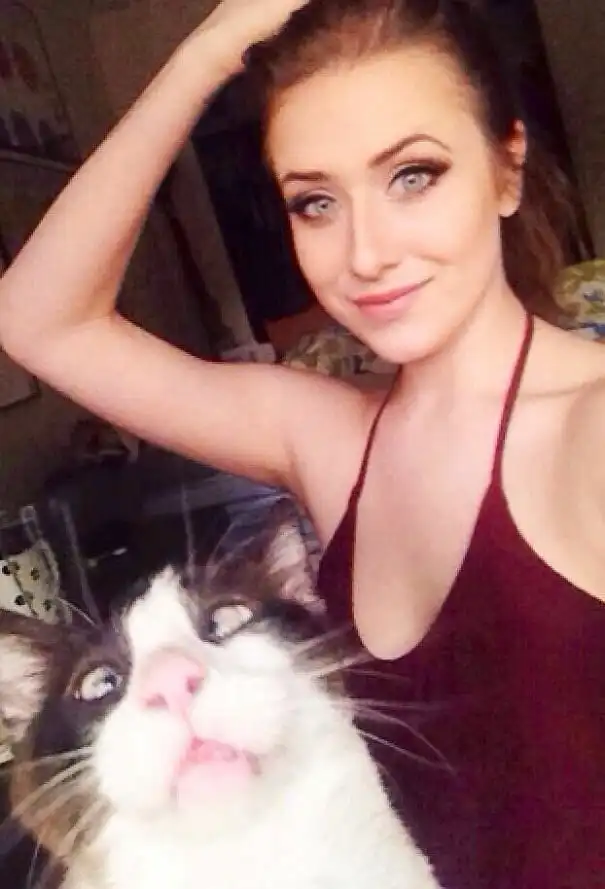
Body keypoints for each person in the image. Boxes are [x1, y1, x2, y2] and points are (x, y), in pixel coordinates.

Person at [0, 0, 603, 885]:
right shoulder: (323, 437)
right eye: (315, 202)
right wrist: (207, 52)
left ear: (506, 168)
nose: (365, 253)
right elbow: (37, 319)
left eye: (413, 176)